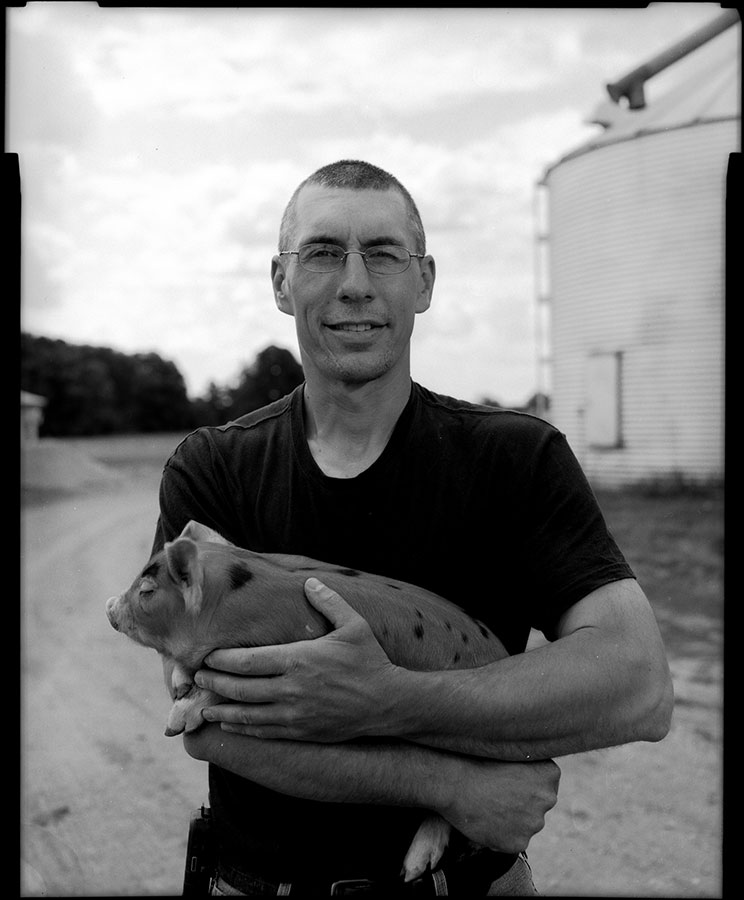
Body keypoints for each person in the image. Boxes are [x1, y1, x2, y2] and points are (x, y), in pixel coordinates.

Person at [151, 159, 674, 896]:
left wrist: (385, 697)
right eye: (323, 252)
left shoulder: (516, 458)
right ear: (280, 281)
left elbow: (639, 684)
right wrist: (448, 785)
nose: (355, 283)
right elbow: (208, 721)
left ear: (424, 282)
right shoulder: (214, 470)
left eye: (384, 254)